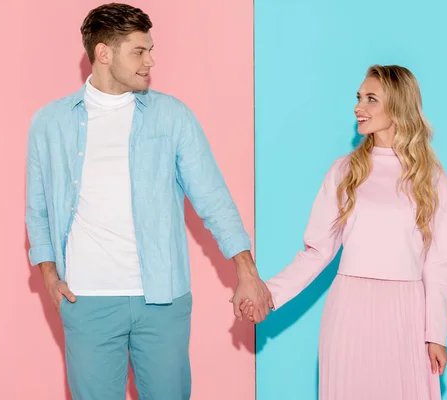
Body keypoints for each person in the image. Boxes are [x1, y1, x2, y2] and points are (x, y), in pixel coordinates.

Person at [24, 3, 272, 399]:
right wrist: (49, 276)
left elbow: (213, 198)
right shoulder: (50, 123)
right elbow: (37, 210)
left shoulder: (172, 118)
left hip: (162, 300)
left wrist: (246, 270)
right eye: (139, 51)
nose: (150, 61)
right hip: (86, 301)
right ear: (103, 53)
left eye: (151, 50)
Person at [240, 65, 447, 399]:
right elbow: (317, 252)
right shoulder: (344, 171)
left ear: (399, 106)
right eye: (359, 98)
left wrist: (437, 335)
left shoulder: (432, 180)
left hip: (407, 314)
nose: (359, 107)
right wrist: (268, 294)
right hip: (350, 310)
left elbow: (442, 264)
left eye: (371, 99)